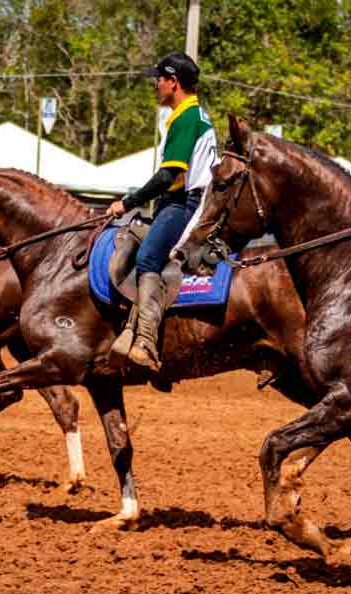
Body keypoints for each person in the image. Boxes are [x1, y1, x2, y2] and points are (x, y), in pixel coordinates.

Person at [106, 52, 216, 372]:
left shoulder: (186, 118)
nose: (156, 84)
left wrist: (128, 202)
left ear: (174, 82)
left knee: (147, 259)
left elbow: (170, 176)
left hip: (185, 203)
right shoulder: (190, 116)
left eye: (159, 79)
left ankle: (146, 341)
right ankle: (130, 327)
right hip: (179, 201)